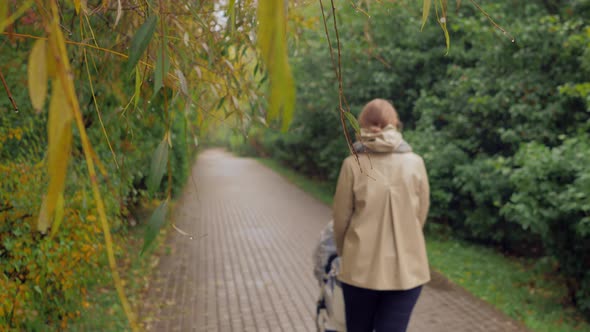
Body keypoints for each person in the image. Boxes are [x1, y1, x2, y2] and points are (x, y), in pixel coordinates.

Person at [332, 98, 430, 332]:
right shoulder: (415, 163)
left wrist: (346, 254)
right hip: (407, 272)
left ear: (361, 124)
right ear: (395, 123)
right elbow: (420, 216)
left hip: (359, 271)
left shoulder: (352, 164)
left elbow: (340, 221)